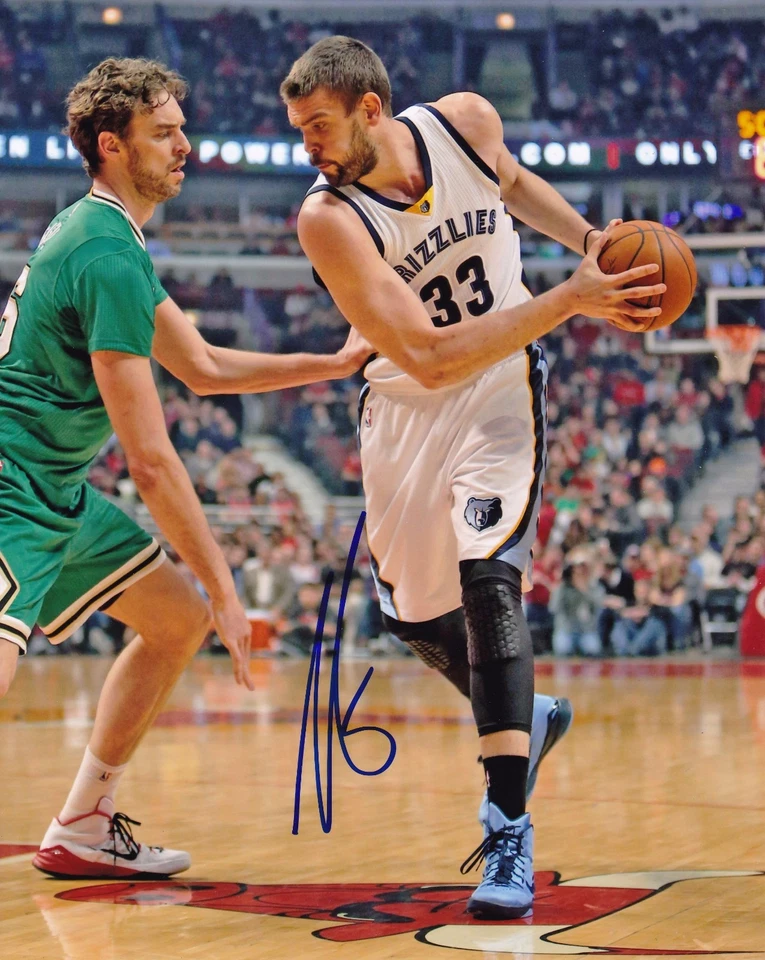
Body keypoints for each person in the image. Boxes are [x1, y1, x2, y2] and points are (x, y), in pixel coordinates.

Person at [281, 36, 665, 919]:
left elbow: (509, 179)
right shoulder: (328, 218)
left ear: (370, 109)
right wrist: (569, 296)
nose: (308, 144)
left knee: (489, 579)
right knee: (409, 615)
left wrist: (587, 241)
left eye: (318, 125)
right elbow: (422, 356)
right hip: (407, 404)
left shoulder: (465, 122)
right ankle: (527, 716)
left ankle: (507, 830)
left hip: (500, 391)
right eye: (298, 128)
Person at [0, 57, 372, 880]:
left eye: (181, 128)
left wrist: (331, 362)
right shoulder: (103, 251)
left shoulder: (112, 243)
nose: (185, 146)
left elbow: (201, 364)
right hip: (5, 489)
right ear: (112, 145)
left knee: (173, 621)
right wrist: (229, 588)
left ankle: (83, 823)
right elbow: (153, 462)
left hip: (51, 492)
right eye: (164, 133)